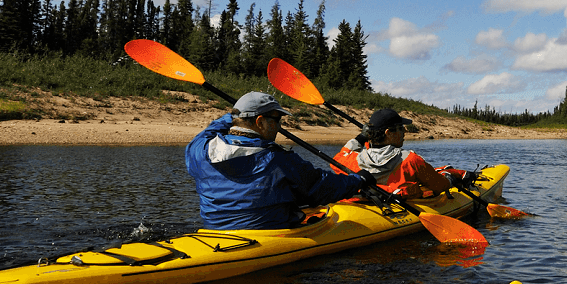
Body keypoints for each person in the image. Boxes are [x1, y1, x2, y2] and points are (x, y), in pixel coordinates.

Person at [185, 91, 370, 230]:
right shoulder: (277, 160)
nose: (279, 126)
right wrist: (358, 180)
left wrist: (236, 115)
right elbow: (322, 187)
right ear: (260, 122)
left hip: (216, 231)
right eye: (277, 119)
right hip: (268, 233)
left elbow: (210, 130)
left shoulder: (199, 150)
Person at [338, 108, 475, 198]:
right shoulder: (411, 160)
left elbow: (342, 155)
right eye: (401, 128)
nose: (405, 132)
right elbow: (440, 185)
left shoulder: (353, 160)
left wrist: (362, 137)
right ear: (388, 133)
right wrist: (449, 180)